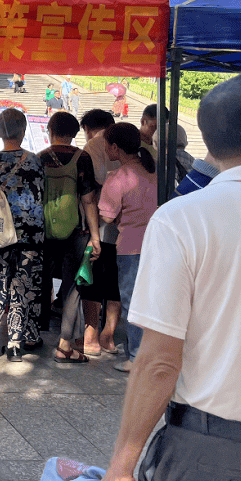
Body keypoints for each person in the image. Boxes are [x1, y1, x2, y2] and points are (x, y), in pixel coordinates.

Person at [98, 71, 241, 481]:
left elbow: (159, 360)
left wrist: (121, 465)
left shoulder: (186, 218)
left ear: (208, 141)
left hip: (215, 455)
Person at [0, 109, 46, 365]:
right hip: (30, 236)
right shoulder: (36, 161)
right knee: (22, 287)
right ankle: (16, 344)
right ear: (24, 130)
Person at [37, 112, 101, 363]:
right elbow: (88, 200)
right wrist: (95, 237)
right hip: (75, 232)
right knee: (73, 288)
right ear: (74, 133)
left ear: (49, 130)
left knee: (39, 279)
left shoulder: (39, 158)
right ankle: (65, 343)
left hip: (42, 230)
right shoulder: (81, 158)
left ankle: (32, 333)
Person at [97, 123, 157, 374]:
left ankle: (135, 356)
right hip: (159, 245)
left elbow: (108, 216)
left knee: (133, 302)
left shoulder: (118, 177)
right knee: (156, 301)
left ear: (114, 147)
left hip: (131, 246)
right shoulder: (154, 171)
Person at [78, 109, 120, 355]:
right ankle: (109, 336)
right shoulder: (128, 144)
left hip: (95, 226)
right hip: (122, 230)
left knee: (90, 281)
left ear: (87, 128)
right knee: (114, 284)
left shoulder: (91, 147)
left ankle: (91, 337)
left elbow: (88, 193)